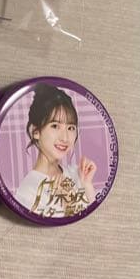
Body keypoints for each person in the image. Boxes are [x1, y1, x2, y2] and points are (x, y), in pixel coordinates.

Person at [15, 84, 97, 218]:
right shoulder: (28, 190)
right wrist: (69, 203)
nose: (65, 138)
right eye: (55, 126)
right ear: (36, 131)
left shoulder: (76, 173)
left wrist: (87, 184)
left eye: (70, 128)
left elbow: (96, 220)